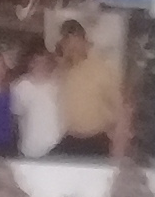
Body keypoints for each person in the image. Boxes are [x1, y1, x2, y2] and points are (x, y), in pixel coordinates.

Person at [50, 18, 122, 159]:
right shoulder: (63, 71)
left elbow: (122, 110)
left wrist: (119, 147)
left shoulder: (103, 69)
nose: (71, 46)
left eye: (75, 40)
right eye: (67, 41)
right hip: (70, 139)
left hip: (97, 141)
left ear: (84, 41)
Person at [10, 42, 65, 161]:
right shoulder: (20, 86)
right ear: (30, 63)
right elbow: (16, 116)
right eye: (36, 61)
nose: (41, 65)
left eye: (44, 61)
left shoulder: (57, 85)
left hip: (57, 149)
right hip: (31, 150)